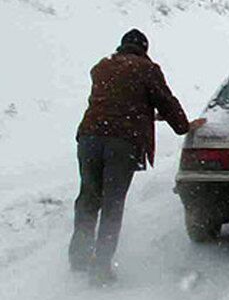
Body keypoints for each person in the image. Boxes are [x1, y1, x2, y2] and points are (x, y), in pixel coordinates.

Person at [70, 28, 202, 284]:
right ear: (144, 49)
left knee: (88, 196)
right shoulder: (146, 69)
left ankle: (78, 255)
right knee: (112, 202)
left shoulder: (102, 67)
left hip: (89, 137)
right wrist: (183, 126)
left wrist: (141, 112)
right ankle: (101, 267)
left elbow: (112, 101)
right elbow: (166, 101)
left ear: (122, 46)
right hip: (122, 142)